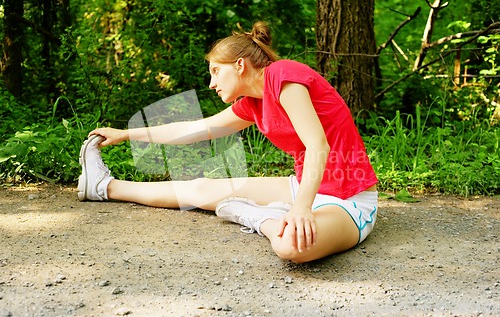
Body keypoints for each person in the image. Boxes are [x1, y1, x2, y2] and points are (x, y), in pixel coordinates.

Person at [78, 21, 378, 263]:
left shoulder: (283, 75)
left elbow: (318, 145)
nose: (211, 83)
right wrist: (126, 134)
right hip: (304, 187)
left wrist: (301, 209)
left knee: (290, 247)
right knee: (199, 189)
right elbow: (198, 129)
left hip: (348, 200)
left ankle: (257, 216)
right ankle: (103, 187)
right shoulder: (253, 103)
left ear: (239, 65)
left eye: (215, 71)